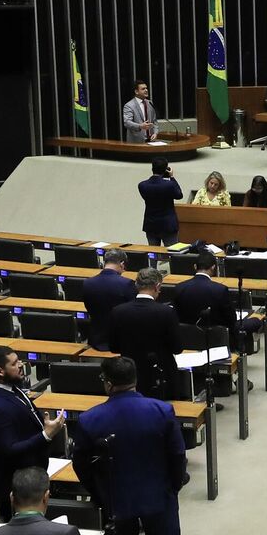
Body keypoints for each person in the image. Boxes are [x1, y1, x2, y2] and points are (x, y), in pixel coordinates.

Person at [70, 357, 192, 535]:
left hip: (116, 501)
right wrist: (173, 486)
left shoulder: (89, 420)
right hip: (159, 496)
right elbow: (178, 455)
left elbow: (81, 465)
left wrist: (99, 494)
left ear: (108, 383)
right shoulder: (162, 411)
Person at [0, 346, 66, 519]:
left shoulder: (7, 386)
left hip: (30, 475)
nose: (21, 365)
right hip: (14, 488)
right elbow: (10, 450)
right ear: (0, 371)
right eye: (15, 363)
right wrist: (45, 435)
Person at [109, 270, 183, 399]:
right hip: (161, 375)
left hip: (130, 375)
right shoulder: (166, 312)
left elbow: (114, 347)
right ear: (157, 286)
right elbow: (177, 348)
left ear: (137, 286)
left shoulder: (118, 311)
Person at [84, 250, 136, 352]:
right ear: (122, 264)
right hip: (120, 340)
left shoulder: (87, 283)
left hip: (96, 339)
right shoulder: (127, 284)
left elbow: (89, 308)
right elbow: (132, 311)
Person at [140, 158, 184, 247]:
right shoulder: (169, 185)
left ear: (152, 169)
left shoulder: (142, 185)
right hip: (168, 225)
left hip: (151, 224)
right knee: (173, 252)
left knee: (152, 253)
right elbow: (179, 195)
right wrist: (172, 177)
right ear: (165, 170)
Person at [123, 79, 159, 143]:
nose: (146, 90)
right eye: (143, 89)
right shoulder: (129, 105)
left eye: (146, 88)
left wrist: (155, 133)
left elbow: (154, 121)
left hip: (151, 141)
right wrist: (140, 126)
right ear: (136, 91)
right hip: (136, 142)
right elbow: (127, 122)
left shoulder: (150, 103)